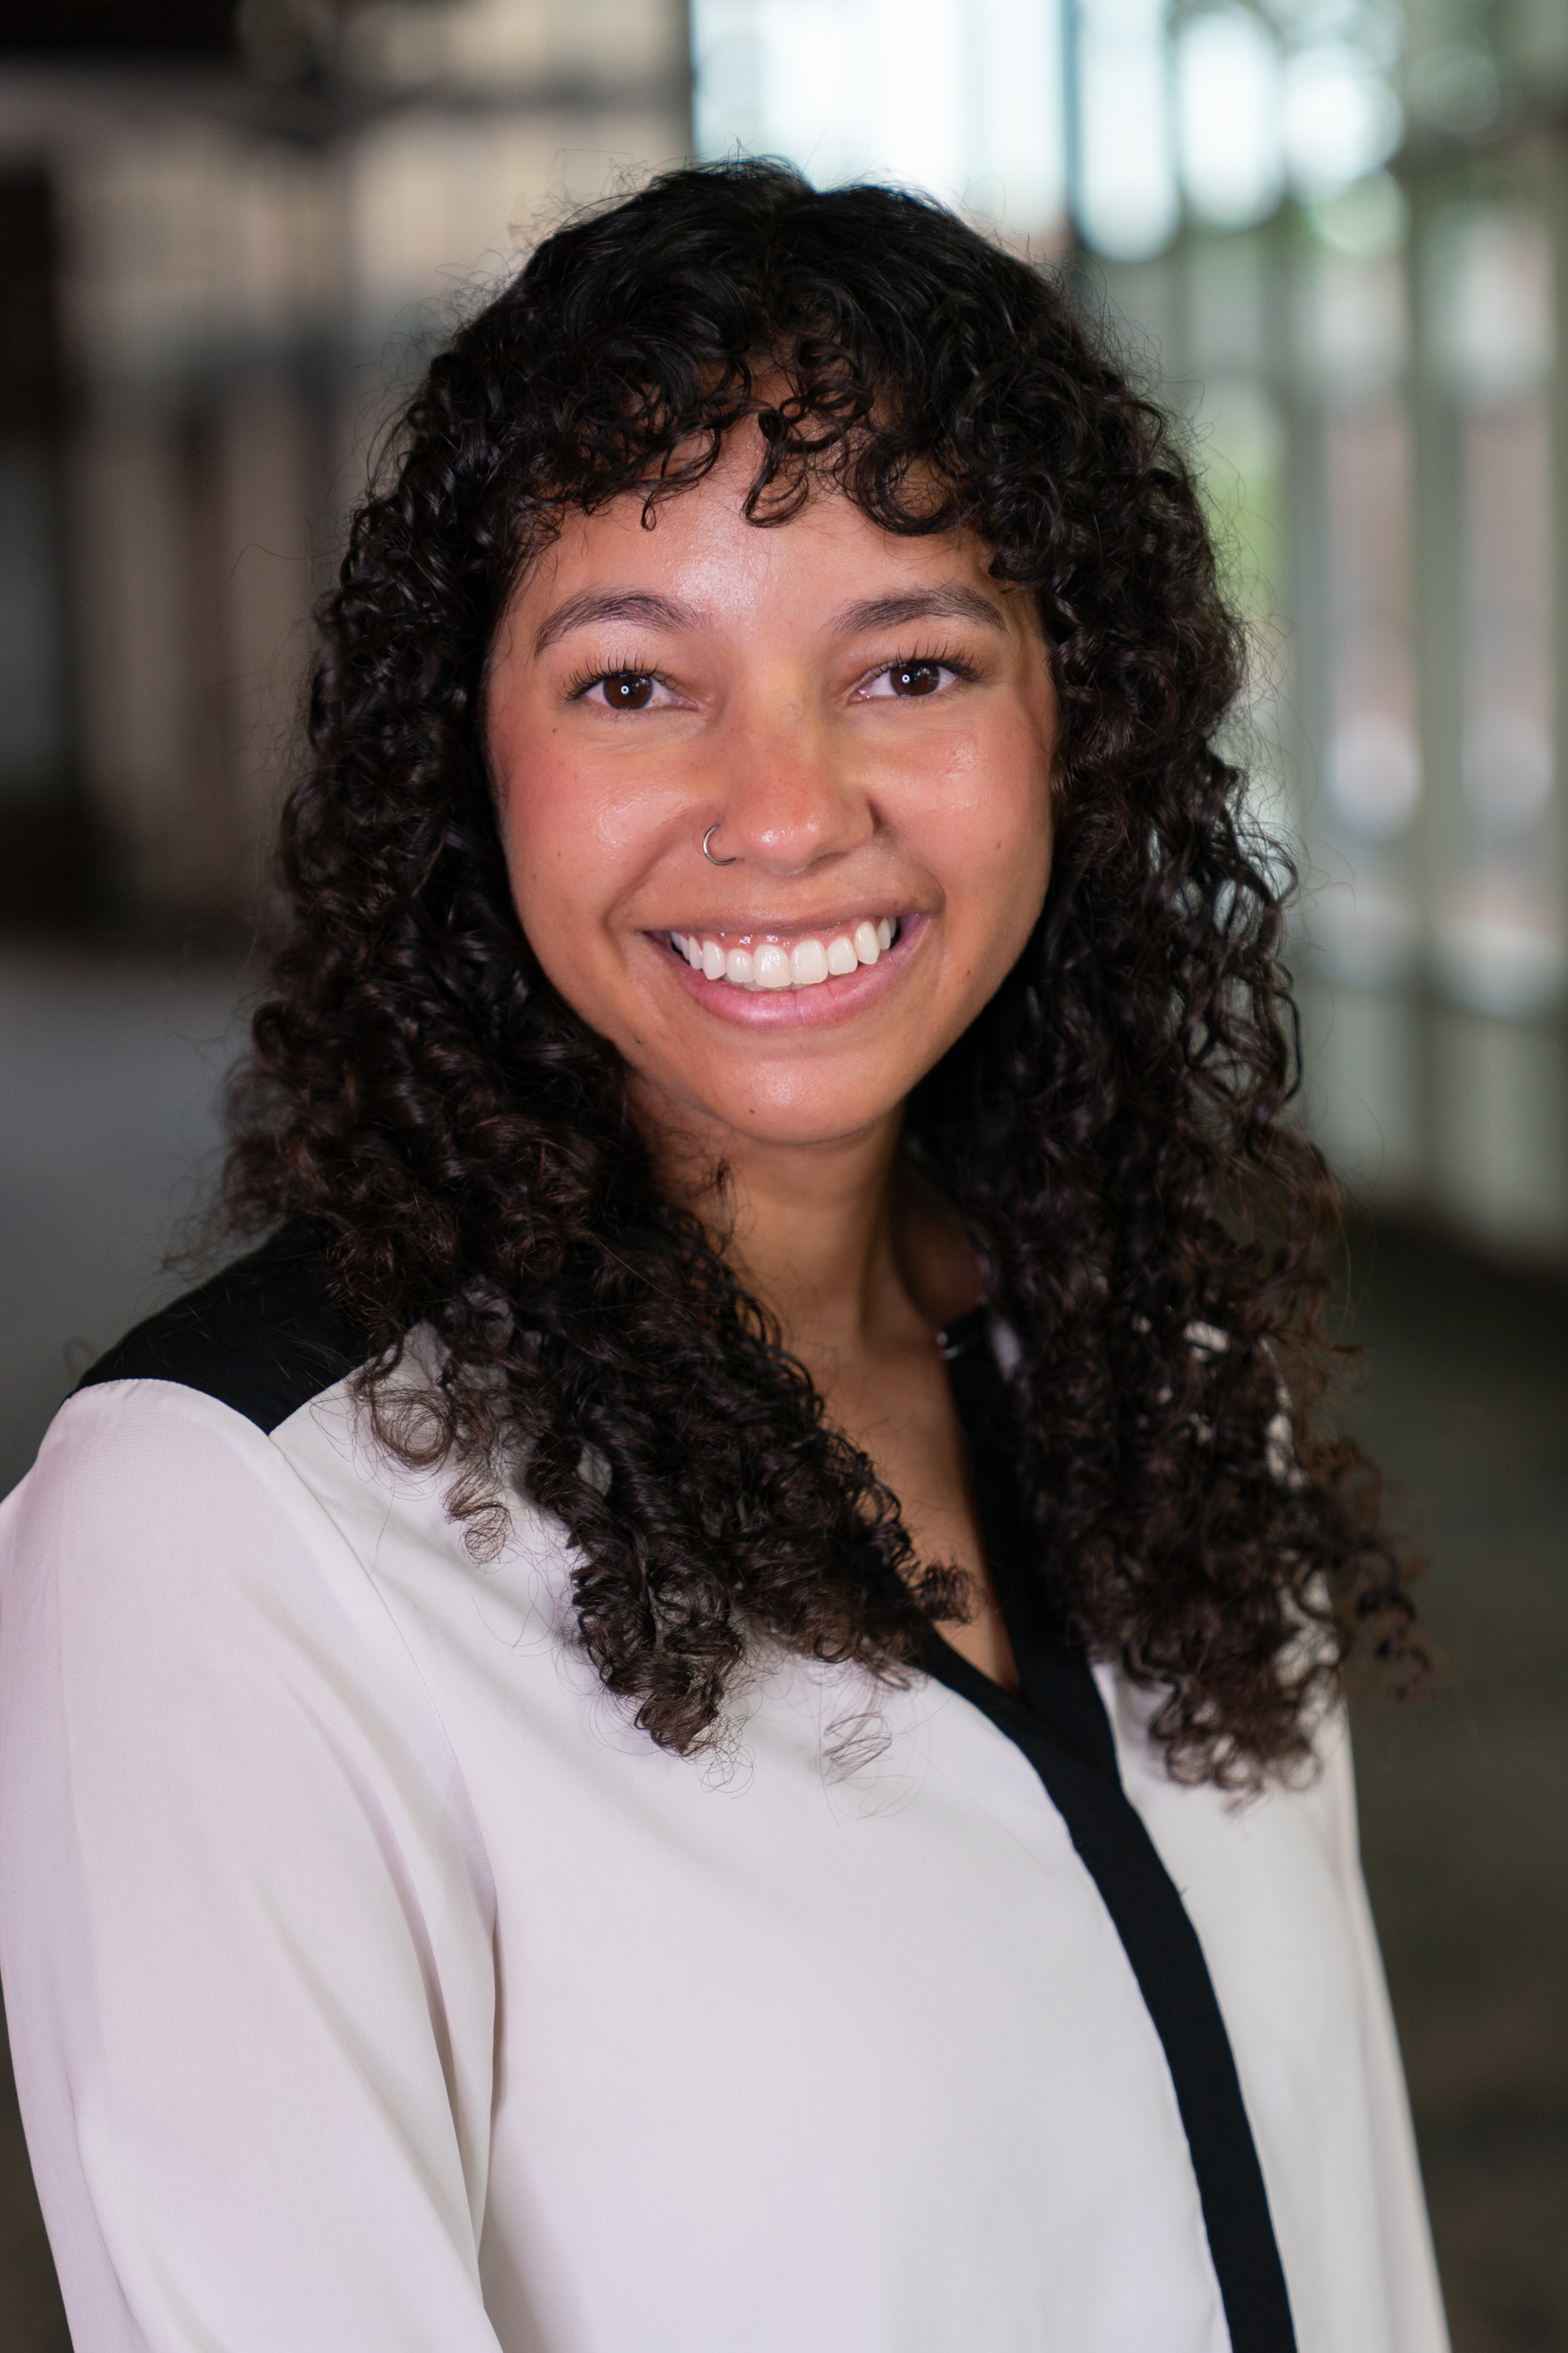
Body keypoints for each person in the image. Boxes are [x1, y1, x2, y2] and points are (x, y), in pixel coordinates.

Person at [0, 162, 1446, 2353]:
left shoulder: (1152, 1376)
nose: (786, 810)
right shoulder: (235, 1530)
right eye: (633, 685)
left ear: (1077, 721)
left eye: (914, 662)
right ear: (468, 758)